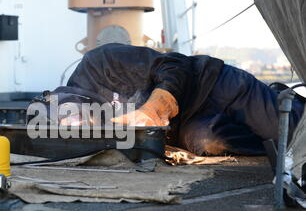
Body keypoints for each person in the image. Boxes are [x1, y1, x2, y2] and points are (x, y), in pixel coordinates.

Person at [30, 43, 304, 156]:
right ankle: (270, 146)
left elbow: (174, 65)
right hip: (188, 123)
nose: (79, 125)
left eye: (74, 117)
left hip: (213, 85)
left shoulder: (98, 62)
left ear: (57, 96)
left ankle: (282, 100)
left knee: (295, 134)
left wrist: (154, 106)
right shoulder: (92, 132)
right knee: (214, 143)